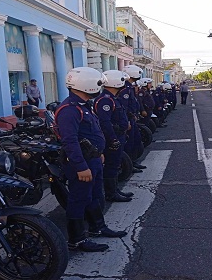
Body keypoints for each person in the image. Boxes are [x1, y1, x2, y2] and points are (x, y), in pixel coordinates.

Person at [55, 67, 127, 252]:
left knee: (95, 196)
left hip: (93, 159)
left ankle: (97, 227)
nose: (100, 87)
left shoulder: (83, 106)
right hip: (82, 164)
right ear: (87, 84)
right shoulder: (69, 110)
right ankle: (77, 240)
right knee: (79, 199)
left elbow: (91, 133)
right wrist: (80, 166)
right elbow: (69, 141)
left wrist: (99, 152)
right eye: (98, 84)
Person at [94, 70, 134, 203]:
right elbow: (105, 123)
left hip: (118, 136)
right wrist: (113, 139)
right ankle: (111, 194)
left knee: (115, 164)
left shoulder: (112, 98)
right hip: (113, 138)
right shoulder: (105, 100)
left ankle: (115, 190)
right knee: (111, 165)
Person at [119, 65, 146, 172]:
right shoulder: (125, 88)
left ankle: (132, 162)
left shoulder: (129, 87)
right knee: (129, 143)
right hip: (128, 119)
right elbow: (124, 107)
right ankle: (129, 164)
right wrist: (128, 120)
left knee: (135, 140)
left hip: (132, 117)